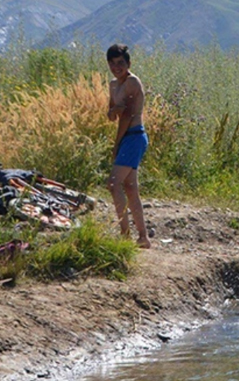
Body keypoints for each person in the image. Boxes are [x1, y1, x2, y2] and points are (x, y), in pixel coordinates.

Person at [106, 44, 150, 249]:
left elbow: (126, 116)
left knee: (114, 184)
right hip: (127, 137)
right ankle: (143, 237)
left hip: (133, 135)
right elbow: (112, 112)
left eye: (121, 63)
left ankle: (125, 235)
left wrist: (116, 144)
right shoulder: (113, 85)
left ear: (128, 63)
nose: (117, 67)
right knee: (130, 187)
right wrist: (113, 110)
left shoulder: (132, 82)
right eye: (113, 63)